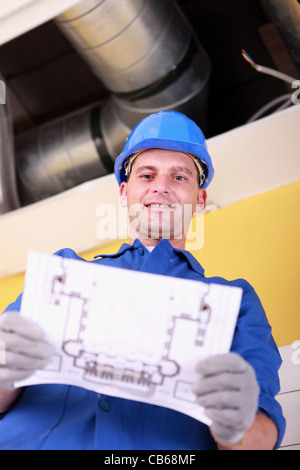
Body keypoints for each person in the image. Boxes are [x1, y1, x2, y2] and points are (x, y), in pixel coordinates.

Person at [0, 111, 285, 450]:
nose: (161, 187)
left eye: (179, 177)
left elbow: (259, 438)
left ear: (200, 200)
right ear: (124, 193)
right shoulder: (62, 274)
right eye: (147, 175)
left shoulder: (235, 303)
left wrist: (236, 422)